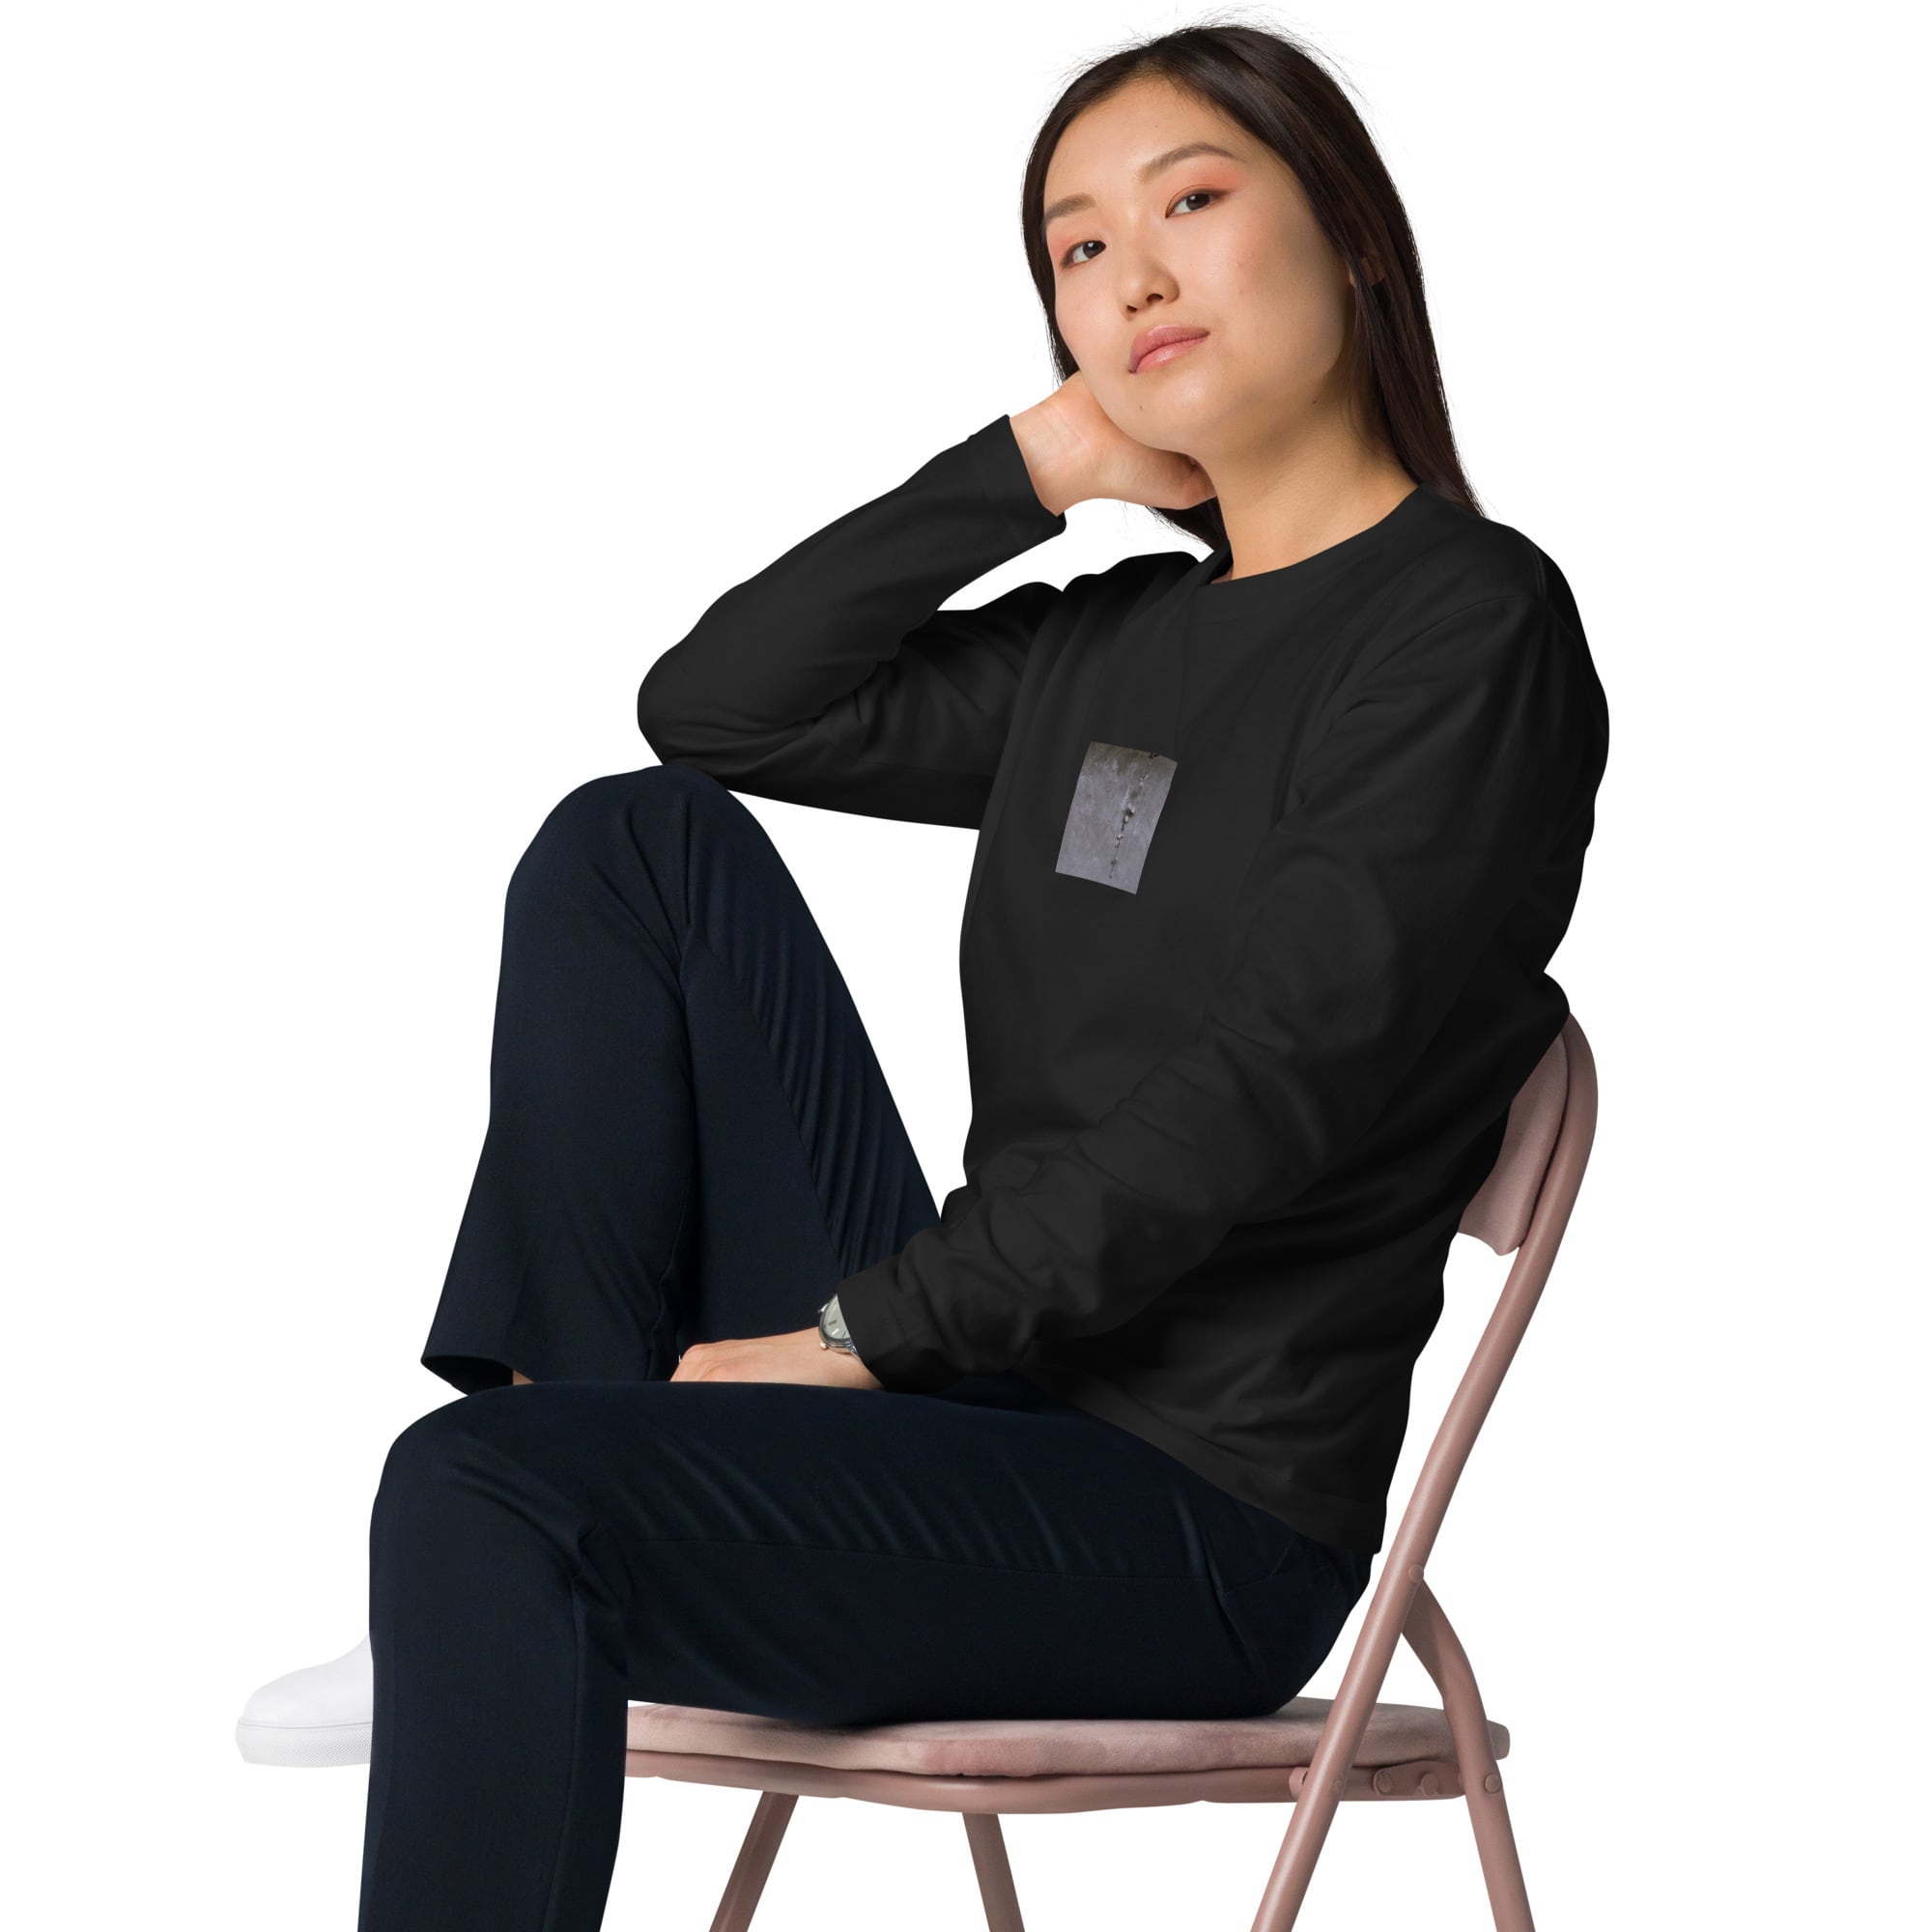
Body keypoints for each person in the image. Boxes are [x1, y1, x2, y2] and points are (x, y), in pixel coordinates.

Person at [235, 22, 1609, 1929]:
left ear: (1354, 238)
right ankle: (545, 1502)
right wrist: (1029, 471)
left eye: (1191, 203)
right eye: (1077, 249)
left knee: (476, 1491)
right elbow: (717, 708)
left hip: (1188, 1515)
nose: (1131, 276)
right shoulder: (1109, 644)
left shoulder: (1466, 629)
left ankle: (516, 1537)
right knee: (636, 848)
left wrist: (855, 1334)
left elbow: (1258, 1100)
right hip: (981, 1398)